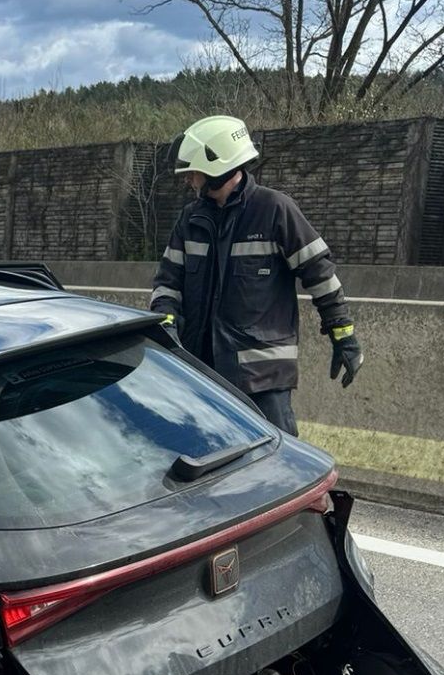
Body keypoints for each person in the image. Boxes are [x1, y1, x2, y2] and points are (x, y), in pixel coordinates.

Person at [149, 115, 360, 436]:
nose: (189, 180)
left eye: (193, 172)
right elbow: (167, 282)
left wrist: (343, 334)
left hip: (262, 379)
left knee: (280, 467)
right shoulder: (190, 219)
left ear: (217, 165)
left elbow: (320, 273)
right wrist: (165, 322)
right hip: (200, 372)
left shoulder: (275, 210)